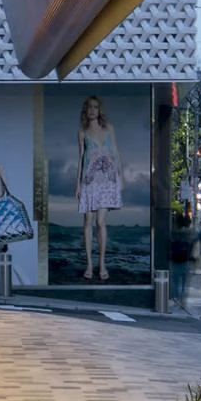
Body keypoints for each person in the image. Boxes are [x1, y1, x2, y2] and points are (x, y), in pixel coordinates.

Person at [76, 95, 123, 282]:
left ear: (99, 109)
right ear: (86, 110)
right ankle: (89, 264)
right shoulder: (82, 132)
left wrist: (120, 177)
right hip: (89, 180)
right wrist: (78, 184)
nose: (92, 110)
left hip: (107, 180)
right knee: (88, 220)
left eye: (95, 107)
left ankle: (102, 264)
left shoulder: (108, 128)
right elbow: (81, 159)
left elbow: (116, 152)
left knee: (101, 222)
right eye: (89, 107)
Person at [169, 209, 193, 306]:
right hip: (185, 259)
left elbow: (169, 244)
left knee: (175, 280)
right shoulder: (188, 233)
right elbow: (191, 244)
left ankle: (177, 298)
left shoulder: (173, 232)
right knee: (184, 281)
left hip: (175, 259)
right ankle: (183, 299)